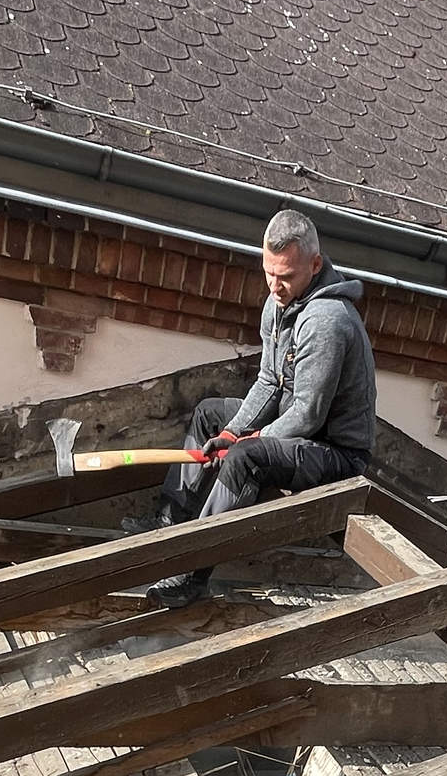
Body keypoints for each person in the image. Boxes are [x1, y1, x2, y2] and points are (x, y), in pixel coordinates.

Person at [149, 207, 377, 604]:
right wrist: (233, 430)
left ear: (315, 265)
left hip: (334, 451)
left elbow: (307, 414)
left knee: (245, 457)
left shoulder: (327, 322)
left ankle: (191, 574)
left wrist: (249, 440)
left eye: (285, 276)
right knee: (209, 414)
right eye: (269, 272)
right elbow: (270, 381)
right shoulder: (278, 305)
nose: (275, 285)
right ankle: (171, 522)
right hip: (295, 428)